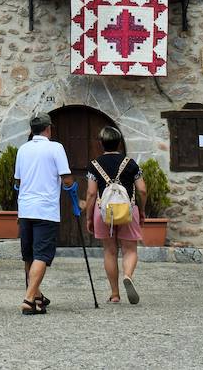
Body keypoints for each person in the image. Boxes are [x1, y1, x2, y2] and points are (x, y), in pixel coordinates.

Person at [14, 113, 74, 315]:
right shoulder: (55, 147)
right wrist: (73, 191)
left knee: (29, 255)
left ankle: (37, 297)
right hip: (46, 209)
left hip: (25, 208)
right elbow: (66, 179)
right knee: (42, 254)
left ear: (32, 130)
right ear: (48, 129)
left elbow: (18, 182)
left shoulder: (22, 149)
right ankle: (29, 299)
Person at [83, 126, 147, 305]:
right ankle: (127, 275)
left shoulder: (94, 165)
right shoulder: (131, 163)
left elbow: (91, 193)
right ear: (119, 143)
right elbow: (142, 189)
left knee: (110, 251)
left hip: (104, 213)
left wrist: (89, 217)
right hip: (128, 210)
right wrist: (141, 210)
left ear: (101, 143)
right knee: (130, 250)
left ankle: (115, 294)